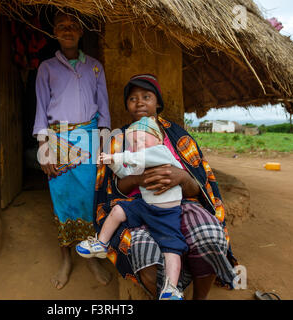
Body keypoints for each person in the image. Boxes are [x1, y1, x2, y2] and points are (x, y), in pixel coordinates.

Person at [93, 74, 238, 299]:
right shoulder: (119, 139)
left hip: (182, 204)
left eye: (146, 96)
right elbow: (113, 189)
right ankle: (166, 292)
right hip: (137, 207)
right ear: (127, 105)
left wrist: (181, 177)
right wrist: (138, 180)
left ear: (157, 102)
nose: (139, 102)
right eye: (132, 98)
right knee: (141, 250)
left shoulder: (179, 136)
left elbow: (200, 187)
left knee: (210, 237)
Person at [32, 10, 112, 290]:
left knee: (90, 199)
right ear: (54, 32)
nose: (67, 30)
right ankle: (65, 259)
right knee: (62, 201)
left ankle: (89, 256)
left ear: (81, 32)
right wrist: (44, 149)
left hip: (89, 141)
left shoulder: (95, 67)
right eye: (62, 26)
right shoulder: (46, 68)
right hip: (57, 142)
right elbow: (41, 110)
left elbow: (103, 111)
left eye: (73, 26)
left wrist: (104, 145)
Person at [76, 116, 187, 300]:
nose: (138, 144)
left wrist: (117, 156)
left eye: (143, 139)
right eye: (134, 142)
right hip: (145, 206)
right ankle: (101, 243)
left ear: (158, 140)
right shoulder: (139, 158)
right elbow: (125, 172)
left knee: (171, 248)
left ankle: (172, 288)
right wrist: (113, 163)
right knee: (118, 210)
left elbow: (138, 156)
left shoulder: (161, 151)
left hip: (166, 213)